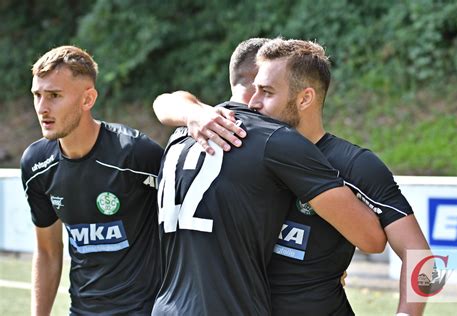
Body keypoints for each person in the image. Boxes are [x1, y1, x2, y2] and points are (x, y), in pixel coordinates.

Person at [153, 37, 430, 315]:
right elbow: (168, 101)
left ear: (305, 98)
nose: (253, 103)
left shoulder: (353, 164)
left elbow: (427, 260)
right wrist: (193, 112)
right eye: (254, 90)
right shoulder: (238, 147)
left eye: (267, 92)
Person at [20, 45, 164, 315]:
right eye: (37, 95)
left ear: (88, 100)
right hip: (82, 310)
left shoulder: (135, 154)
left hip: (144, 310)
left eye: (54, 96)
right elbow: (48, 251)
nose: (42, 107)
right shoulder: (36, 164)